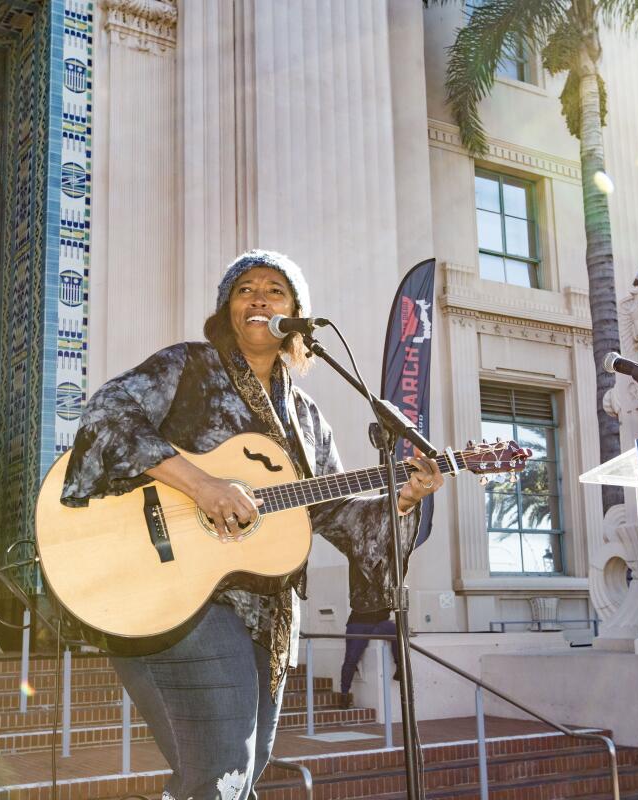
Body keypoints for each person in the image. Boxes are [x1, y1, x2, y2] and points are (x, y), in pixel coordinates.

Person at [60, 250, 444, 800]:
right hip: (178, 595)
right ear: (227, 310)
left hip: (271, 616)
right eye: (245, 289)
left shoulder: (308, 419)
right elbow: (104, 415)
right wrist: (202, 485)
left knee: (239, 773)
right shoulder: (189, 366)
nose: (260, 297)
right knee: (223, 771)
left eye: (275, 290)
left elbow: (338, 516)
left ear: (297, 316)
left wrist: (404, 499)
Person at [338, 559, 399, 709]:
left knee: (397, 632)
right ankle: (344, 694)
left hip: (378, 623)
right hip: (359, 623)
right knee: (351, 658)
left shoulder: (386, 581)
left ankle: (400, 668)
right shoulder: (359, 577)